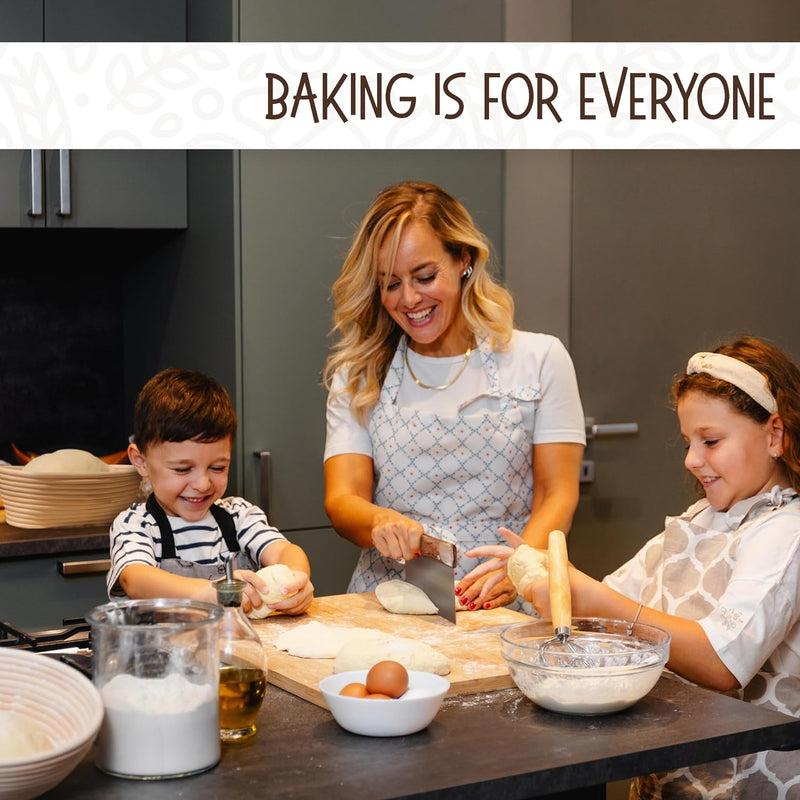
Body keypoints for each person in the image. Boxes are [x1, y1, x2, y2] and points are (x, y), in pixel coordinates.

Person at [468, 335, 800, 798]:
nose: (691, 460)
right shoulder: (698, 521)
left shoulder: (787, 532)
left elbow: (723, 662)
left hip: (749, 780)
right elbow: (605, 615)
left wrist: (580, 591)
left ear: (775, 435)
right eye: (688, 441)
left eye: (711, 441)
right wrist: (542, 580)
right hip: (676, 773)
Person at [323, 181, 585, 611]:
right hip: (391, 599)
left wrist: (522, 566)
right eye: (390, 284)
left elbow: (556, 494)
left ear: (463, 260)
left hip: (503, 593)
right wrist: (380, 521)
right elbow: (342, 499)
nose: (409, 299)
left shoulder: (539, 359)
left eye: (425, 276)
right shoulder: (359, 374)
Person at [107, 368, 314, 616]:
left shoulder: (239, 516)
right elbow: (136, 579)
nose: (202, 484)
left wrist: (296, 579)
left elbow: (283, 550)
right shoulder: (136, 525)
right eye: (183, 469)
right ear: (140, 461)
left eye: (217, 467)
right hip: (162, 652)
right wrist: (206, 593)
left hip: (234, 650)